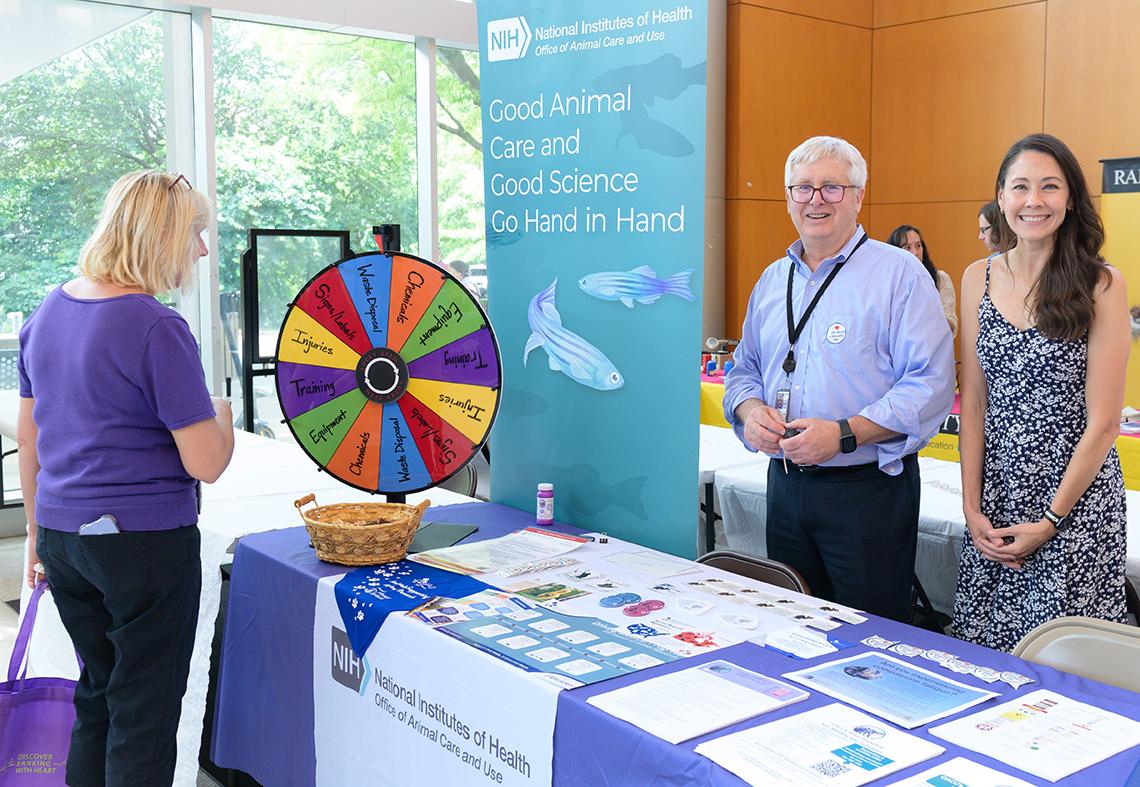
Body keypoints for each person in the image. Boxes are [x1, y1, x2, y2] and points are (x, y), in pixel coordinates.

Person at [17, 170, 235, 786]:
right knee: (143, 713)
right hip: (142, 545)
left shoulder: (47, 313)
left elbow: (29, 439)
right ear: (160, 235)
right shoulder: (156, 328)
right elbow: (207, 463)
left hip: (63, 537)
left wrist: (35, 538)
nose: (201, 249)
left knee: (98, 696)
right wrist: (222, 412)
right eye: (195, 233)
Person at [724, 136, 955, 622]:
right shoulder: (771, 281)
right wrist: (749, 413)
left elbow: (930, 386)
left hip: (867, 493)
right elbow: (743, 369)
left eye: (832, 187)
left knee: (870, 642)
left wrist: (844, 433)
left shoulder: (901, 276)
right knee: (792, 626)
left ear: (857, 196)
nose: (816, 200)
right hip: (786, 486)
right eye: (803, 188)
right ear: (788, 199)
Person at [954, 134, 1129, 651]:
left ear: (1071, 198)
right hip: (996, 502)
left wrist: (1050, 520)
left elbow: (1103, 422)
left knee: (1067, 663)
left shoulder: (1101, 284)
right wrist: (971, 507)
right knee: (984, 655)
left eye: (1049, 187)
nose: (1034, 201)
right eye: (1021, 187)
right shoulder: (975, 278)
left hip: (1074, 507)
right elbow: (975, 405)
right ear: (1001, 197)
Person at [888, 224, 958, 337]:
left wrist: (929, 309)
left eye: (918, 246)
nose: (915, 253)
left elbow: (952, 327)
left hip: (932, 348)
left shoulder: (941, 279)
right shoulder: (888, 282)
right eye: (907, 247)